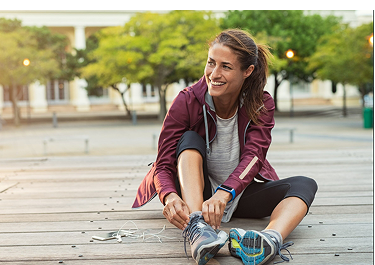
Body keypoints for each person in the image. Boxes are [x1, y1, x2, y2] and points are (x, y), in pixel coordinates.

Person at [132, 29, 318, 265]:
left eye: (226, 67)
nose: (214, 74)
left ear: (247, 71)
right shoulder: (187, 100)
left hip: (235, 194)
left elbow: (254, 156)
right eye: (211, 63)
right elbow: (163, 162)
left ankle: (270, 240)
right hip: (198, 197)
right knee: (189, 139)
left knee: (304, 184)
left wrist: (225, 193)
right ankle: (198, 227)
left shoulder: (261, 103)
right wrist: (169, 196)